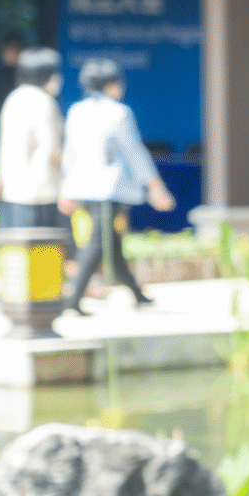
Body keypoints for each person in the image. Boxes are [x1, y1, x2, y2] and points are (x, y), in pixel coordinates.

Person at [58, 58, 173, 312]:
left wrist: (65, 188)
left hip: (83, 188)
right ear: (111, 85)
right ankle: (72, 300)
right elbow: (135, 153)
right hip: (108, 189)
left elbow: (69, 153)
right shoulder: (118, 112)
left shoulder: (76, 111)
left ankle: (137, 295)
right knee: (98, 243)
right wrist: (155, 187)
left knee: (110, 243)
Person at [0, 47, 64, 229]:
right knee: (45, 245)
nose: (57, 78)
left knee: (16, 244)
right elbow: (53, 150)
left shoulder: (13, 99)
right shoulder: (44, 101)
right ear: (43, 74)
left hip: (13, 191)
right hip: (41, 194)